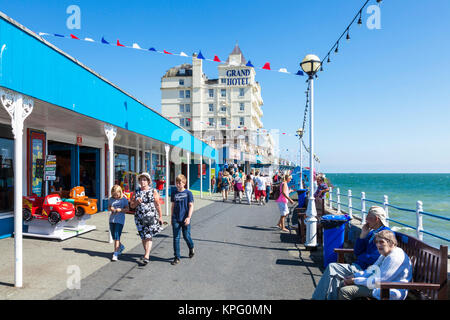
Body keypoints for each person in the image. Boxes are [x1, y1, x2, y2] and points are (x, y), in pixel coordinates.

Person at [311, 206, 391, 300]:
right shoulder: (372, 232)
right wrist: (362, 235)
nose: (365, 220)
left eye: (368, 217)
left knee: (332, 267)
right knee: (335, 275)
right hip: (360, 266)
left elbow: (374, 258)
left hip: (366, 270)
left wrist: (361, 257)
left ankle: (316, 298)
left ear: (376, 219)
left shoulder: (385, 235)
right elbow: (357, 252)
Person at [338, 230, 412, 300]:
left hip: (390, 291)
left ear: (391, 243)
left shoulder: (394, 258)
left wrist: (355, 281)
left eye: (381, 242)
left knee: (345, 291)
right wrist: (355, 276)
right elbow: (371, 271)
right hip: (380, 286)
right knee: (343, 283)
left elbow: (381, 281)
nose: (378, 245)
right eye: (376, 242)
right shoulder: (385, 254)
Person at [129, 172, 163, 266]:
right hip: (139, 217)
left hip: (150, 216)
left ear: (148, 181)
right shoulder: (136, 191)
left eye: (144, 180)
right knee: (143, 236)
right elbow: (131, 206)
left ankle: (147, 255)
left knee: (148, 236)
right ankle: (146, 253)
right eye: (141, 180)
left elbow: (157, 204)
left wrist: (160, 217)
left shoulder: (153, 191)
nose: (142, 181)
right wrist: (136, 202)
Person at [170, 174, 195, 265]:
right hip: (176, 218)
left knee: (186, 236)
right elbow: (172, 205)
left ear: (184, 183)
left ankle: (191, 247)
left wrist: (189, 217)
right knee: (176, 238)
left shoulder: (188, 193)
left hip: (185, 218)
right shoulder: (174, 193)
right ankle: (177, 257)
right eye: (177, 182)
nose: (178, 184)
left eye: (180, 182)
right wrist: (171, 217)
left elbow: (191, 205)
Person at [108, 185, 129, 261]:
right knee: (114, 236)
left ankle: (115, 253)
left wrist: (121, 210)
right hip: (112, 220)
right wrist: (111, 208)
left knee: (117, 236)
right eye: (114, 195)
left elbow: (127, 209)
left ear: (120, 193)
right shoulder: (111, 199)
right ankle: (121, 246)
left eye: (117, 195)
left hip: (120, 220)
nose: (115, 196)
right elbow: (109, 207)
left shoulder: (123, 200)